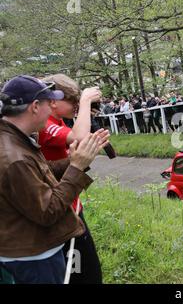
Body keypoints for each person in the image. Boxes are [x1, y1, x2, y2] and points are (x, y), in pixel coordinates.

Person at [0, 75, 108, 284]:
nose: (52, 110)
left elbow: (40, 173)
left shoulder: (15, 140)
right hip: (33, 257)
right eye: (50, 103)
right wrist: (76, 167)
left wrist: (74, 160)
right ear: (34, 107)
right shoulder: (14, 157)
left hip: (28, 250)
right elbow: (48, 211)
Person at [38, 74, 104, 284]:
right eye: (72, 100)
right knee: (81, 273)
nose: (76, 105)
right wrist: (84, 101)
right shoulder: (44, 124)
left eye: (78, 100)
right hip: (59, 208)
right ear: (54, 101)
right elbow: (78, 137)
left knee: (87, 268)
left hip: (70, 201)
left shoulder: (56, 120)